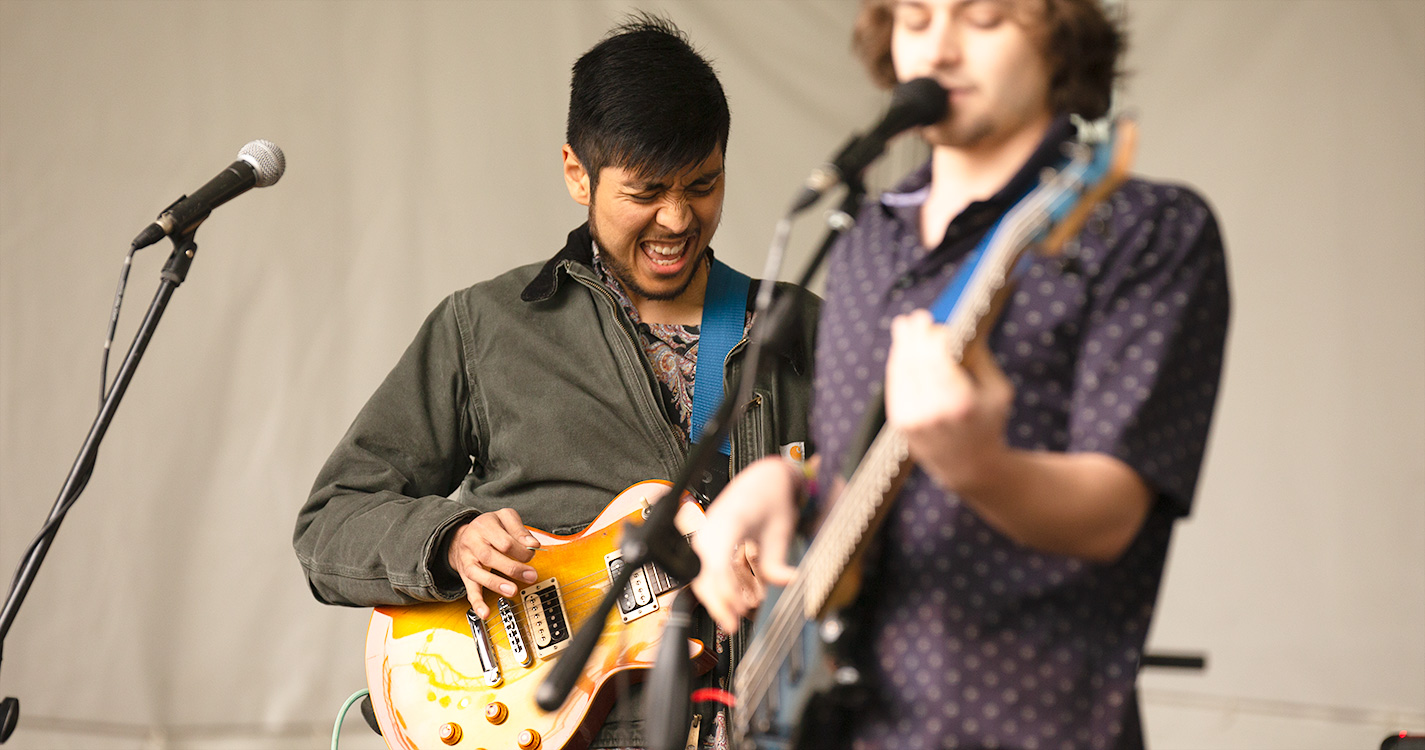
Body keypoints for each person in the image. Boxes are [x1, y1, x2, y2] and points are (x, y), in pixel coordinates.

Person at [690, 1, 1230, 748]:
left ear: (1062, 36)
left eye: (982, 18)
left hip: (1026, 723)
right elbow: (859, 480)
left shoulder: (1142, 231)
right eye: (913, 20)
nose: (937, 50)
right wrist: (787, 485)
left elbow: (1115, 511)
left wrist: (985, 469)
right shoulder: (863, 243)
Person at [294, 15, 819, 750]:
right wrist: (448, 541)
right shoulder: (485, 327)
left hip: (764, 720)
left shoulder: (799, 330)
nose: (677, 218)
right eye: (645, 191)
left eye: (703, 184)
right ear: (578, 173)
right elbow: (328, 524)